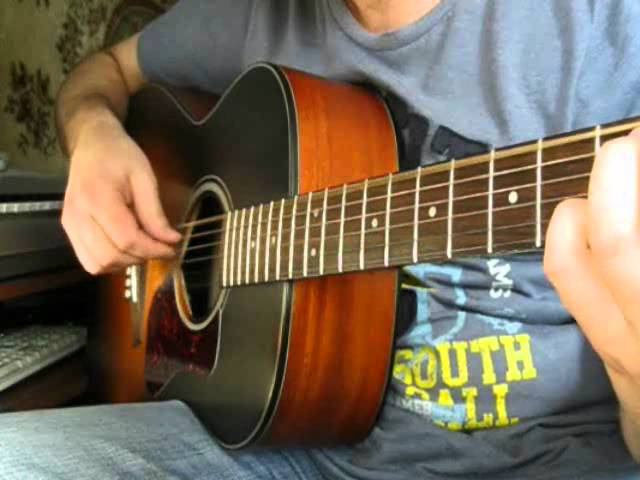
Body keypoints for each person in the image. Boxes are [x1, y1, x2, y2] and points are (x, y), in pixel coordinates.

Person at [1, 0, 640, 478]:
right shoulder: (252, 14)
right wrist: (91, 132)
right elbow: (107, 68)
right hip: (280, 448)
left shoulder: (602, 24)